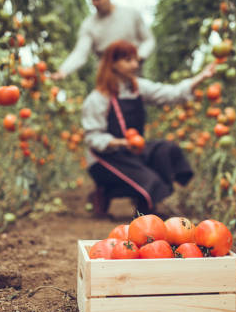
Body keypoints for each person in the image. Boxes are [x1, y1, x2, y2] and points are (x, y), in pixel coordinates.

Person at [81, 40, 216, 217]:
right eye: (128, 60)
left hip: (132, 150)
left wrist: (201, 77)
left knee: (165, 149)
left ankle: (145, 205)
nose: (135, 65)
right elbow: (92, 137)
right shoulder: (97, 98)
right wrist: (121, 142)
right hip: (105, 158)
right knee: (149, 180)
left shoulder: (137, 87)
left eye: (136, 60)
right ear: (113, 63)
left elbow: (170, 93)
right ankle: (104, 192)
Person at [50, 0, 155, 81]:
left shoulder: (131, 14)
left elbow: (149, 40)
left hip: (134, 78)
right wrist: (63, 70)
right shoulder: (89, 25)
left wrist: (138, 57)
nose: (94, 3)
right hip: (108, 82)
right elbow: (81, 52)